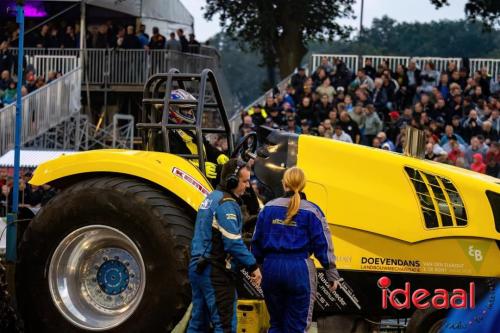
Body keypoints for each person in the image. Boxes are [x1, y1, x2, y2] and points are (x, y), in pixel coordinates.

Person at [251, 167, 340, 333]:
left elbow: (256, 241)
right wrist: (331, 272)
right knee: (297, 328)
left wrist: (255, 266)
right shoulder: (313, 211)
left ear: (284, 183)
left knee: (276, 324)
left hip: (271, 269)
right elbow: (323, 243)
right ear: (304, 185)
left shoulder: (268, 208)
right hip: (299, 270)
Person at [187, 159, 262, 333]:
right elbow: (233, 243)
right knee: (225, 325)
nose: (248, 186)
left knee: (198, 324)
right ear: (232, 181)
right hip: (214, 271)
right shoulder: (227, 204)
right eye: (244, 181)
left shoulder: (211, 197)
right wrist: (253, 265)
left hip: (198, 267)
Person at [155, 89, 229, 182]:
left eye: (190, 109)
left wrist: (218, 155)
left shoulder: (189, 128)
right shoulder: (163, 133)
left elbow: (205, 145)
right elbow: (171, 162)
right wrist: (199, 167)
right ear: (172, 110)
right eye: (186, 109)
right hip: (181, 180)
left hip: (198, 177)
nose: (190, 112)